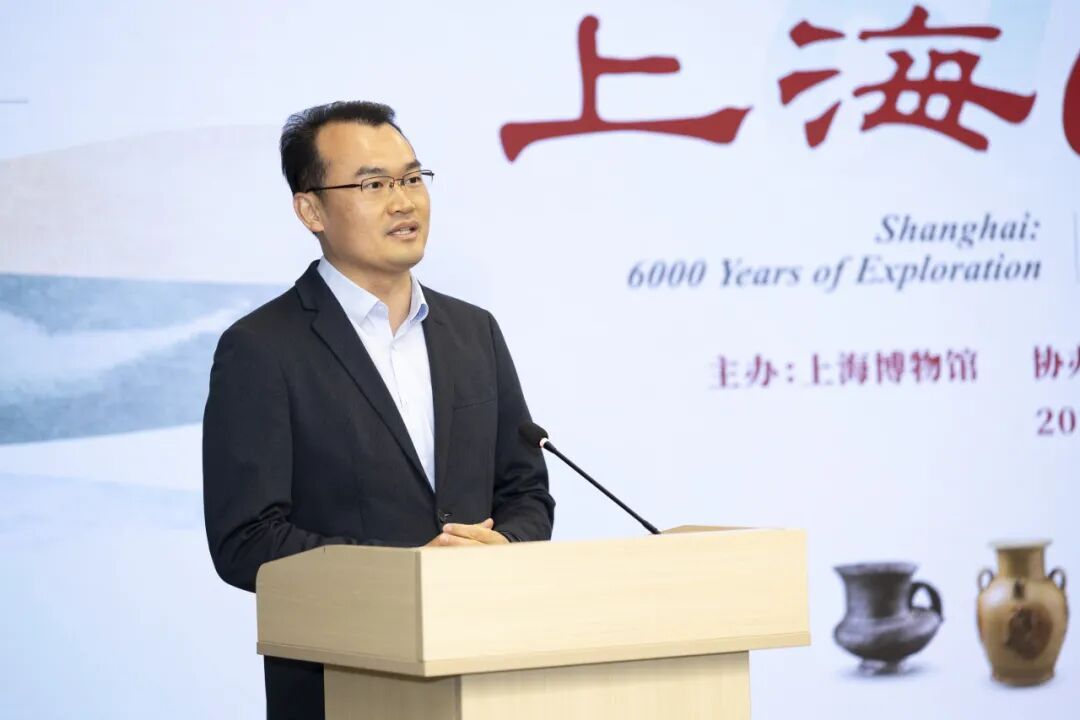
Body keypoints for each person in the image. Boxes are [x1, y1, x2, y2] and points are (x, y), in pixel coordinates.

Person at [202, 100, 555, 719]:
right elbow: (246, 539)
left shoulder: (473, 331)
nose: (403, 202)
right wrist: (406, 575)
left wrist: (500, 546)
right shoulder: (262, 348)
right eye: (373, 185)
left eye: (412, 178)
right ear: (311, 210)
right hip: (341, 685)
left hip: (485, 674)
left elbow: (526, 492)